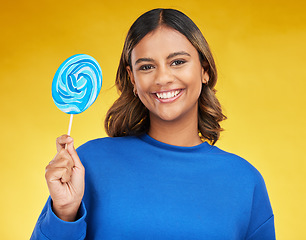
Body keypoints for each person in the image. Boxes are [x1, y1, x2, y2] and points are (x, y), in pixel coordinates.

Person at [31, 8, 275, 239]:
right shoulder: (86, 165)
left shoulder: (245, 181)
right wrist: (64, 212)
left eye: (178, 62)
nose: (163, 78)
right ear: (133, 80)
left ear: (205, 69)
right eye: (147, 67)